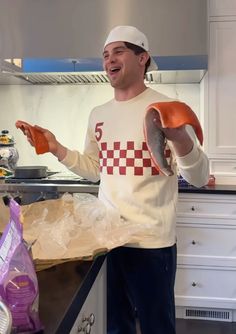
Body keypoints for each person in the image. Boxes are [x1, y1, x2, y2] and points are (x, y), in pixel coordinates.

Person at [20, 26, 209, 334]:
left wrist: (180, 140)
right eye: (105, 54)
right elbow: (97, 168)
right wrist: (56, 148)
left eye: (119, 51)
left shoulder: (166, 109)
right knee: (115, 324)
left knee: (156, 326)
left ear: (142, 58)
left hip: (152, 242)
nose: (109, 59)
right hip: (107, 239)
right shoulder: (98, 114)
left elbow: (198, 176)